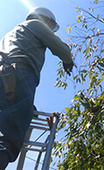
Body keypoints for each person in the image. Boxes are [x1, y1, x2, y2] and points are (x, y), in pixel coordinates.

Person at [0, 7, 73, 168]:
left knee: (8, 119)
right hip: (18, 74)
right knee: (8, 138)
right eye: (51, 26)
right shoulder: (35, 24)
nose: (51, 31)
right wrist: (68, 60)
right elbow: (64, 51)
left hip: (4, 75)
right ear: (44, 19)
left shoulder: (10, 35)